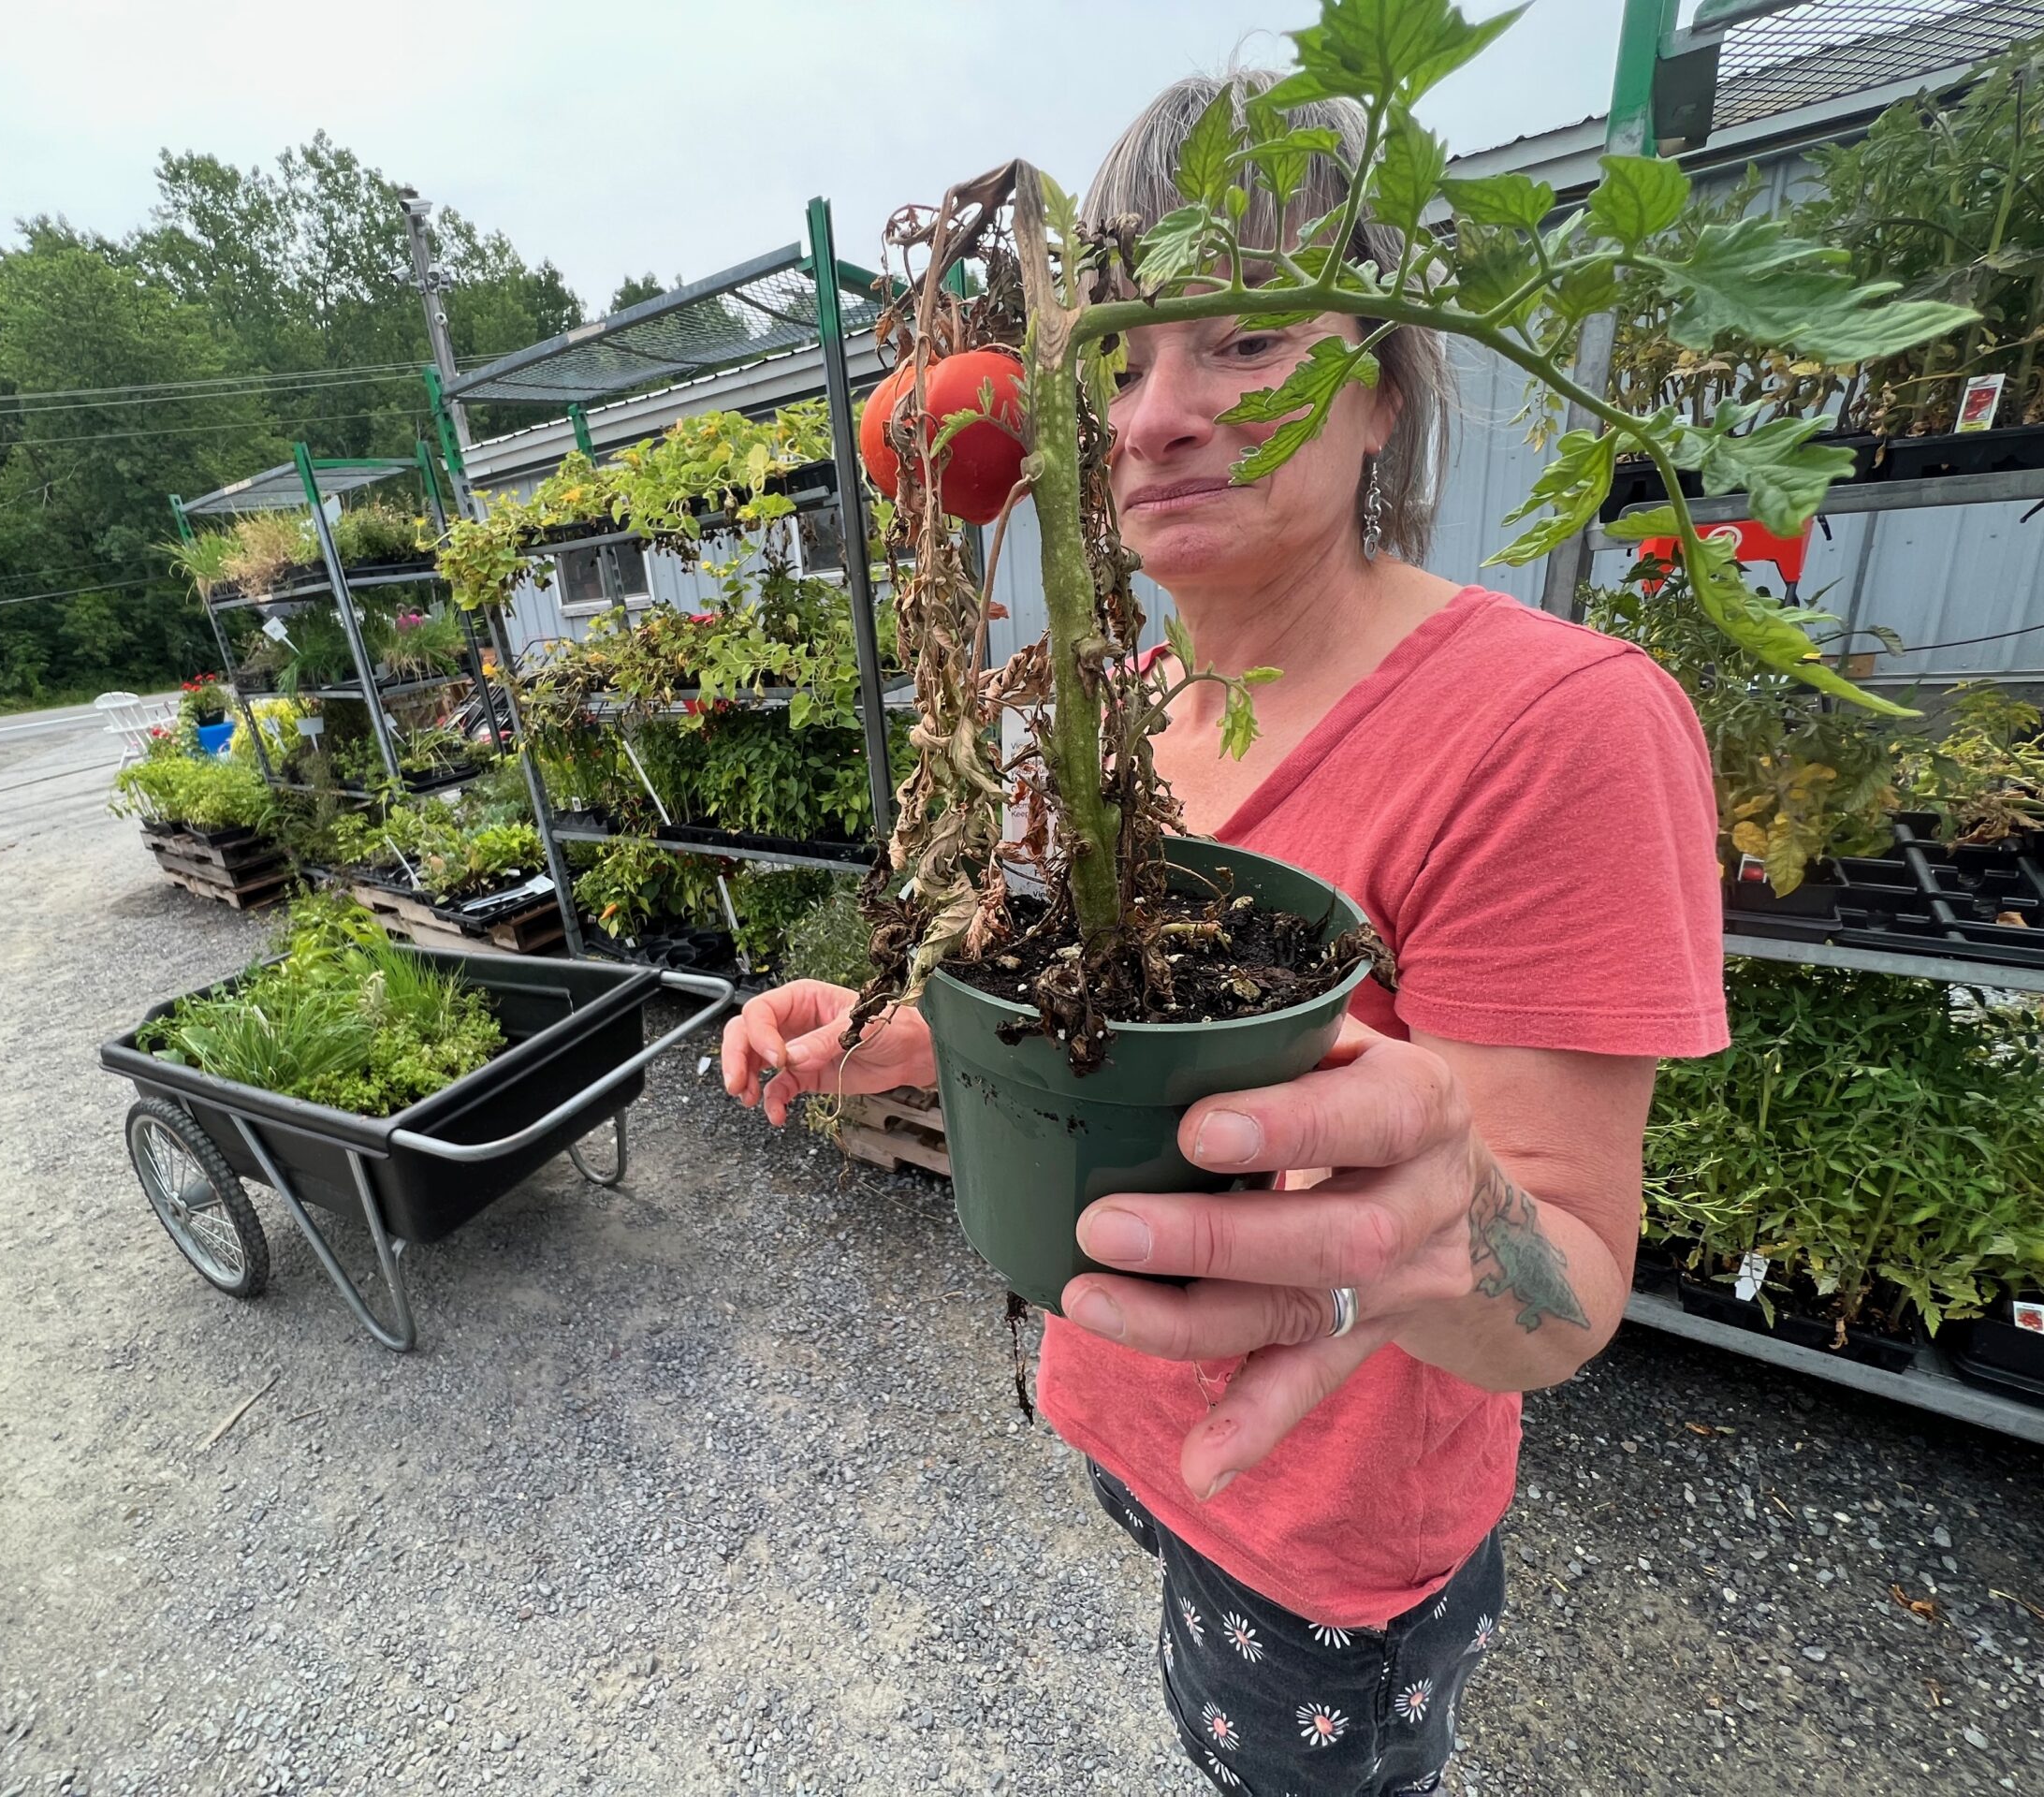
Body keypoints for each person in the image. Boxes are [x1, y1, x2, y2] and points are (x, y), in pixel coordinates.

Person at [722, 69, 1727, 1797]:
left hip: (1323, 1547)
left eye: (1245, 343)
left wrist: (1461, 1209)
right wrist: (904, 1030)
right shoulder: (1130, 698)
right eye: (1108, 359)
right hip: (1126, 1407)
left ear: (1384, 390)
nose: (1148, 415)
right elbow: (1084, 1002)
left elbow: (1561, 1297)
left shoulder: (1556, 728)